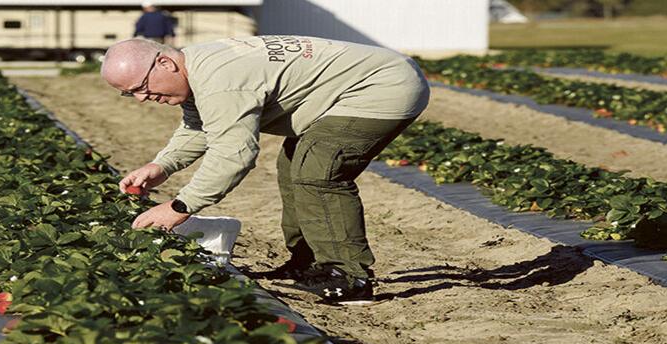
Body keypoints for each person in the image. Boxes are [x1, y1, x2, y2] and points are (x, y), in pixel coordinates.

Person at [101, 36, 430, 305]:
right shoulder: (195, 68)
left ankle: (348, 276)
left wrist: (180, 207)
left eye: (141, 86)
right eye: (129, 94)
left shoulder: (220, 79)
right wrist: (162, 166)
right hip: (344, 91)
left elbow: (234, 153)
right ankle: (308, 263)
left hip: (381, 87)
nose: (142, 98)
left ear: (165, 63)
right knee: (293, 166)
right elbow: (200, 126)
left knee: (318, 172)